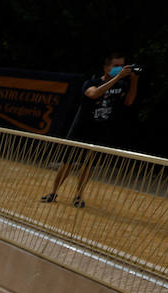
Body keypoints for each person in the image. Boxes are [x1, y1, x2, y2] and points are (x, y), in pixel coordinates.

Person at [41, 52, 139, 207]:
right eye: (116, 66)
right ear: (106, 67)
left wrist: (134, 81)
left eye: (122, 65)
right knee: (67, 163)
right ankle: (53, 192)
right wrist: (118, 77)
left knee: (88, 166)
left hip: (99, 131)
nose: (120, 69)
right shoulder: (91, 82)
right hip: (80, 129)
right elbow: (94, 94)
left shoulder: (121, 86)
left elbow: (128, 102)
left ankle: (78, 196)